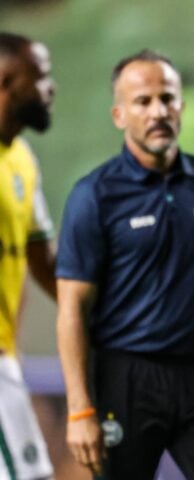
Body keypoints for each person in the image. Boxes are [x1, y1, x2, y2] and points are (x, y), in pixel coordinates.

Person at [55, 49, 194, 479]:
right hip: (125, 378)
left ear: (182, 106)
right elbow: (71, 310)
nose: (158, 111)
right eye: (143, 101)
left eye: (167, 98)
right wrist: (80, 410)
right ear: (119, 114)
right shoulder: (94, 194)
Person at [0, 31, 56, 480]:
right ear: (6, 81)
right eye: (40, 76)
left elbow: (42, 261)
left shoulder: (22, 159)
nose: (50, 87)